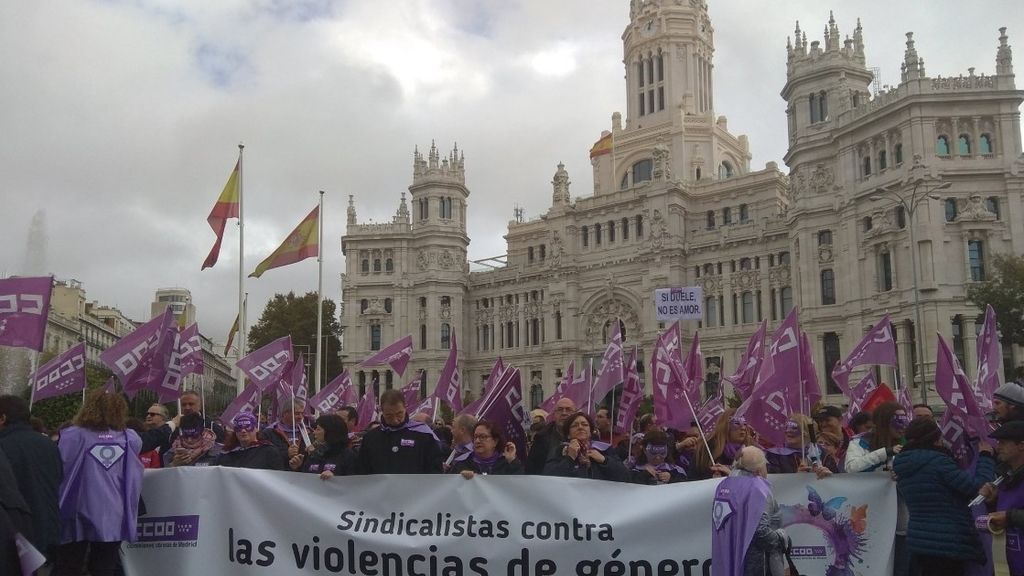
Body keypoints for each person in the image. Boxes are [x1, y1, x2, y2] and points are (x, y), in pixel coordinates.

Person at [52, 389, 143, 576]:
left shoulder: (71, 435)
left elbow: (61, 465)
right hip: (113, 512)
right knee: (104, 567)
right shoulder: (130, 438)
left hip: (77, 509)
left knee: (68, 565)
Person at [894, 417, 995, 575]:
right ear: (935, 438)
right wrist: (986, 457)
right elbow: (977, 487)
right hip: (948, 541)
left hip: (919, 539)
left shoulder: (902, 463)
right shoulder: (939, 462)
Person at [711, 445, 791, 576]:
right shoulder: (757, 488)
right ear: (758, 471)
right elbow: (761, 532)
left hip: (727, 557)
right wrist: (782, 538)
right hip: (755, 564)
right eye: (765, 465)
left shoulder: (723, 486)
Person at [0, 394, 62, 559]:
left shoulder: (4, 446)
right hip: (47, 526)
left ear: (3, 418)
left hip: (15, 531)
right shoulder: (49, 445)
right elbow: (59, 478)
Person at [356, 389, 443, 474]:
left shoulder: (423, 434)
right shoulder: (370, 438)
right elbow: (362, 471)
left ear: (405, 408)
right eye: (389, 416)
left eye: (399, 414)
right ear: (382, 411)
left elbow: (435, 468)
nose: (395, 420)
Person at [978, 420, 1024, 575]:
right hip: (1008, 563)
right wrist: (992, 502)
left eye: (1003, 442)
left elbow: (1010, 515)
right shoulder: (1003, 478)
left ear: (1021, 445)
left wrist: (1009, 517)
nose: (998, 447)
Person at [542, 411, 629, 481]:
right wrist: (569, 458)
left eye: (585, 424)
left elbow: (625, 476)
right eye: (575, 425)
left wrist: (604, 460)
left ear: (590, 432)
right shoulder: (560, 451)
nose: (580, 427)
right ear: (568, 434)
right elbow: (548, 478)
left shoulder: (604, 450)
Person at [845, 401, 908, 473]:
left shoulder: (908, 443)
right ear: (884, 422)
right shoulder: (859, 443)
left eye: (905, 421)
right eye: (898, 422)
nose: (902, 427)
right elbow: (851, 468)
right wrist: (884, 453)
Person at [290, 414, 357, 480]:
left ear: (330, 432)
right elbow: (304, 480)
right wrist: (298, 468)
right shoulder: (313, 454)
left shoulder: (347, 455)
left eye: (318, 429)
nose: (314, 432)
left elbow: (353, 481)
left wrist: (335, 477)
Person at [450, 420, 524, 478]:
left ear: (495, 441)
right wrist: (460, 477)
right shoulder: (462, 464)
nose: (477, 441)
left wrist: (512, 460)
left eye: (483, 437)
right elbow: (451, 486)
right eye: (475, 437)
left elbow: (520, 485)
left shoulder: (506, 464)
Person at [690, 411, 751, 479]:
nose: (743, 428)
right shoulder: (707, 449)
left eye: (745, 424)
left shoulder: (751, 452)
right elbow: (693, 478)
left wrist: (731, 475)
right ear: (726, 425)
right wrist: (711, 475)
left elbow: (755, 480)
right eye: (737, 423)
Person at [216, 412, 283, 470]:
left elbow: (276, 476)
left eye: (248, 427)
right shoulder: (227, 453)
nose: (243, 431)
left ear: (256, 429)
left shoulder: (268, 451)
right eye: (239, 427)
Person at [527, 397, 576, 474]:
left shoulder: (584, 438)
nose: (564, 413)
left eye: (568, 410)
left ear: (575, 414)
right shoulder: (541, 438)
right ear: (554, 414)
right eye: (560, 409)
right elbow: (531, 470)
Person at [259, 397, 310, 470]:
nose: (301, 417)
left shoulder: (307, 432)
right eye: (297, 413)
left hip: (302, 474)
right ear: (285, 413)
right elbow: (264, 456)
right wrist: (286, 454)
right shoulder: (269, 432)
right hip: (278, 473)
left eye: (302, 413)